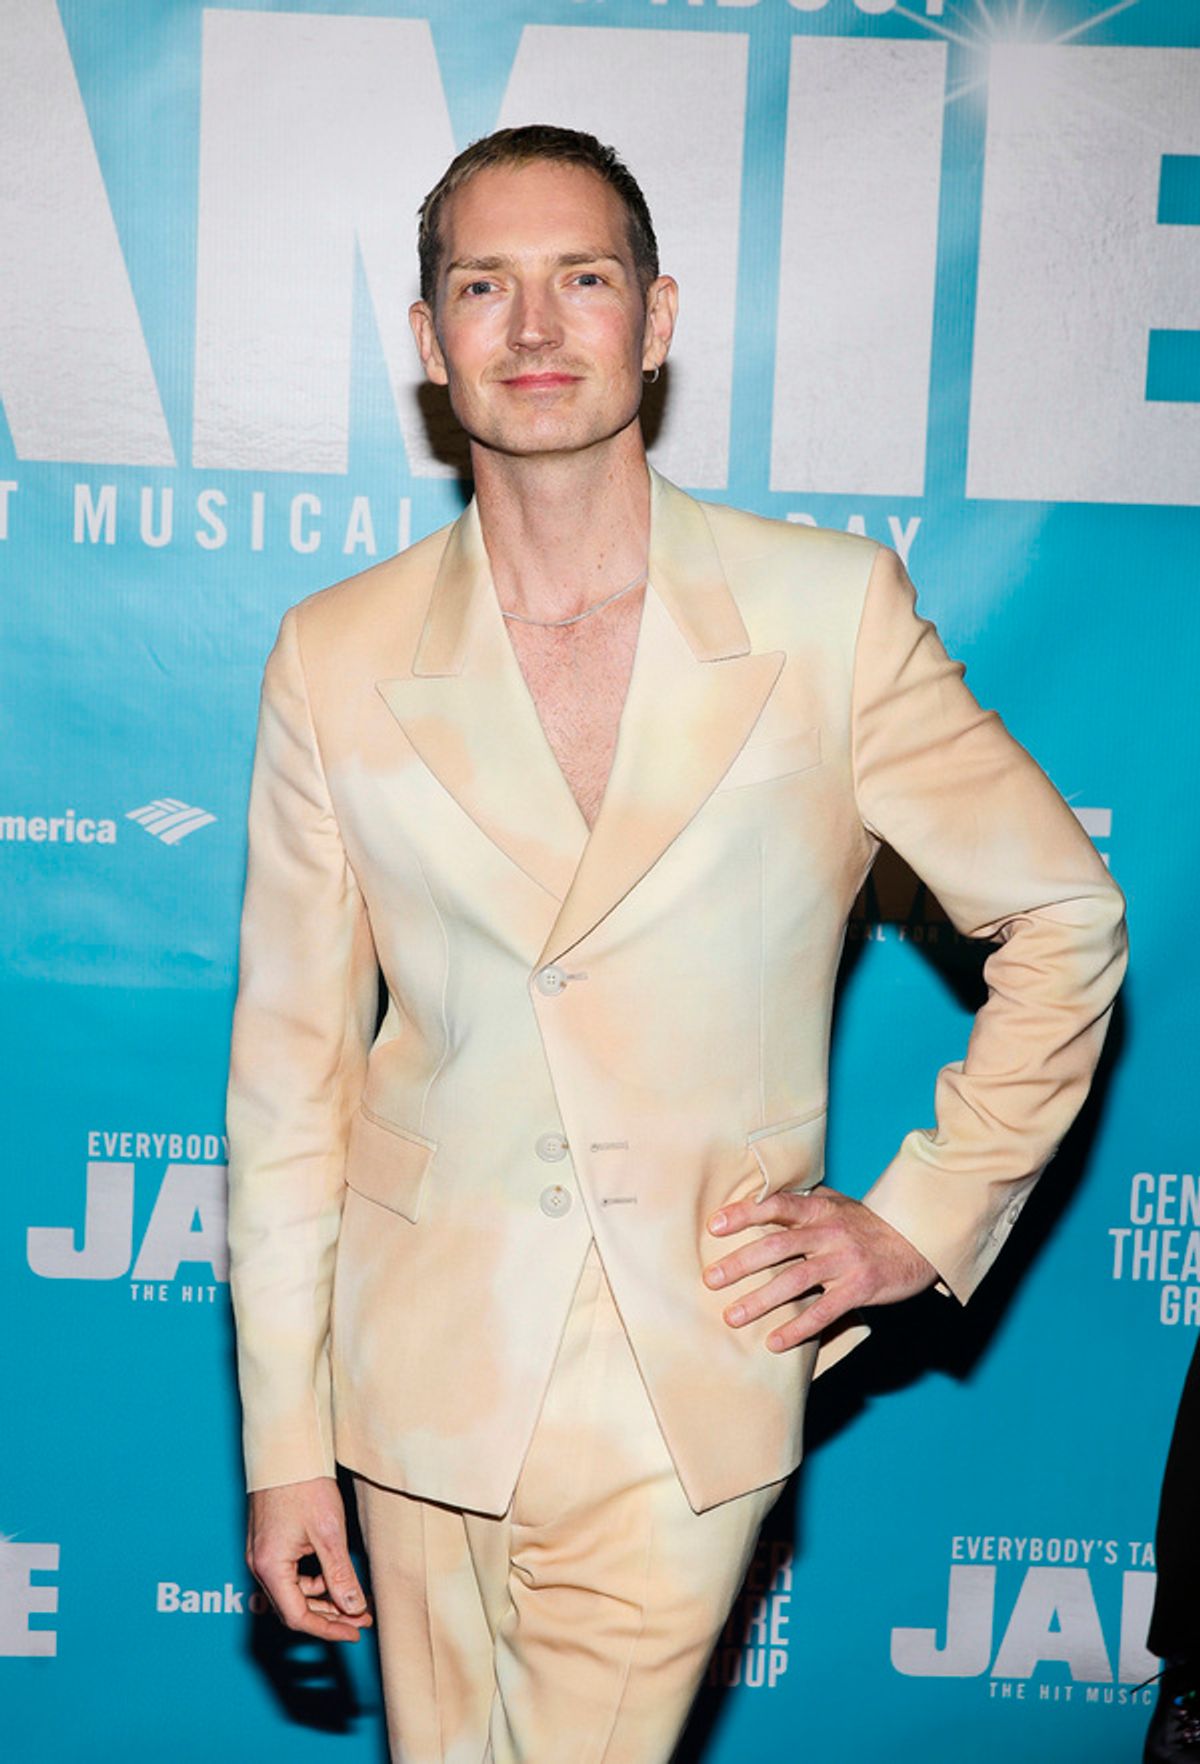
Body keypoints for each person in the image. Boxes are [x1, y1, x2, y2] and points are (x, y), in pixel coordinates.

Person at [226, 125, 1128, 1764]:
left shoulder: (824, 615)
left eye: (582, 277)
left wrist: (922, 1217)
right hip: (420, 1370)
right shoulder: (336, 655)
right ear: (429, 346)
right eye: (481, 286)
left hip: (688, 1362)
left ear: (658, 318)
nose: (535, 325)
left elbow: (1063, 912)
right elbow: (291, 1071)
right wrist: (285, 1440)